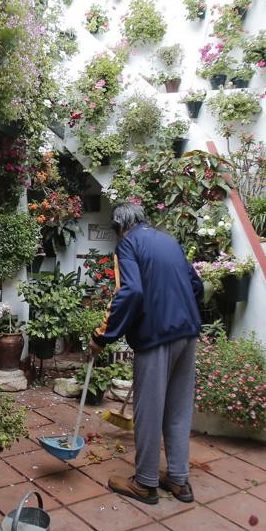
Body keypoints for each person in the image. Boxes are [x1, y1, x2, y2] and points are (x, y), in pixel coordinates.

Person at [88, 202, 203, 505]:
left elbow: (131, 291)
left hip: (156, 337)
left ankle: (146, 482)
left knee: (149, 411)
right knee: (178, 409)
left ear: (120, 226)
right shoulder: (168, 240)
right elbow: (196, 284)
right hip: (187, 332)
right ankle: (179, 481)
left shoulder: (127, 244)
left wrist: (102, 336)